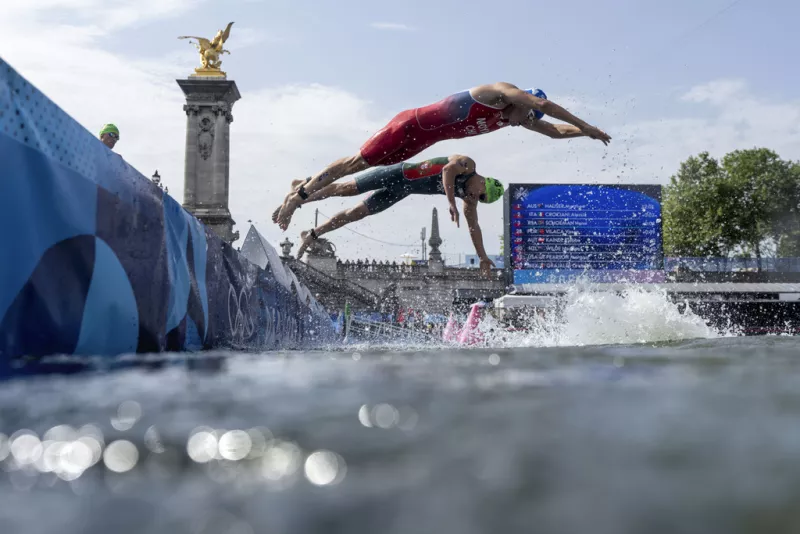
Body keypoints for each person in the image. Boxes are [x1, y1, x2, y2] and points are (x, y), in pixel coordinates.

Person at [273, 82, 612, 230]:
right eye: (524, 116)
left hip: (419, 144)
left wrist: (588, 132)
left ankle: (301, 187)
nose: (522, 124)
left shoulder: (515, 115)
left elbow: (553, 130)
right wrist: (584, 121)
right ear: (520, 102)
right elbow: (543, 107)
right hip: (408, 126)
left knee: (362, 171)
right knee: (356, 164)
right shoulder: (498, 93)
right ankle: (297, 197)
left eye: (526, 122)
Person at [293, 154, 503, 278]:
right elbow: (447, 169)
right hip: (398, 173)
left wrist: (483, 257)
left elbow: (474, 227)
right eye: (480, 194)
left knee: (356, 214)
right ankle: (304, 191)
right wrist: (450, 201)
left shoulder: (469, 199)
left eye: (481, 200)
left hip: (401, 190)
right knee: (347, 189)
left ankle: (312, 233)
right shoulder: (468, 165)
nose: (475, 197)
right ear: (484, 181)